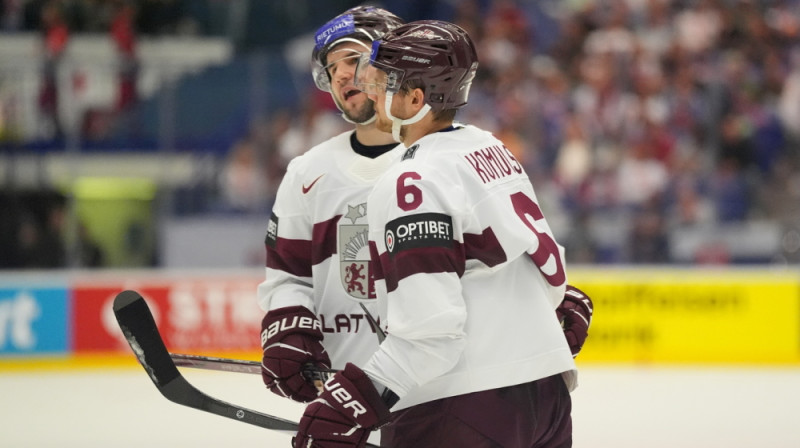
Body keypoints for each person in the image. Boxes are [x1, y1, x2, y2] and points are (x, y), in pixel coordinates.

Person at [293, 20, 589, 448]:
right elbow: (547, 274)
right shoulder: (488, 147)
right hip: (547, 393)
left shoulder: (413, 181)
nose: (371, 90)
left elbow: (432, 333)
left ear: (415, 99)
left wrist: (354, 402)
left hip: (464, 402)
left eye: (384, 82)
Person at [256, 6, 407, 404]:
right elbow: (288, 278)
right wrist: (288, 330)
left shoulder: (451, 158)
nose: (341, 75)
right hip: (345, 404)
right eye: (331, 67)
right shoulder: (307, 173)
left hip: (444, 401)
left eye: (354, 59)